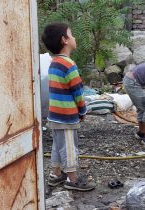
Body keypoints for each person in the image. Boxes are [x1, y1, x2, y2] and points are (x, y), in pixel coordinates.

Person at [42, 22, 95, 191]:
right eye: (71, 34)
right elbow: (78, 92)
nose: (74, 37)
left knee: (58, 145)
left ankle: (56, 174)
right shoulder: (69, 64)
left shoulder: (54, 63)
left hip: (55, 115)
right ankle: (72, 180)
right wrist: (82, 110)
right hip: (66, 116)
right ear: (64, 40)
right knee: (70, 147)